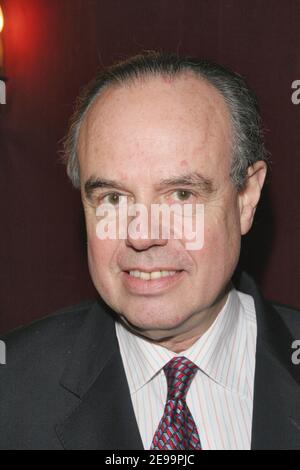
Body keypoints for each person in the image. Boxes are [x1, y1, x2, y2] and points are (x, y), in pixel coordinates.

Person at [0, 52, 299, 450]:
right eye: (113, 198)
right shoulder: (12, 391)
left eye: (180, 194)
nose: (142, 235)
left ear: (246, 199)